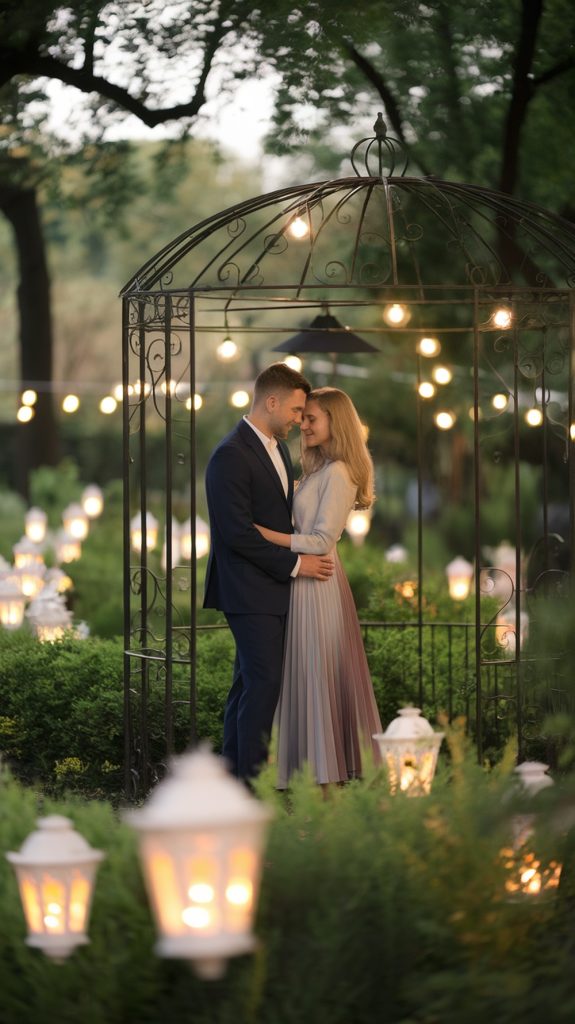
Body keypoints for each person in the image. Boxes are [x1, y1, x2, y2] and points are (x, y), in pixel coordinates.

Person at [204, 363, 334, 781]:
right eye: (296, 411)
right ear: (271, 401)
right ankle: (251, 787)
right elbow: (236, 534)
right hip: (246, 590)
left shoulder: (277, 449)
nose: (300, 420)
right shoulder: (229, 455)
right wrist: (298, 564)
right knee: (263, 686)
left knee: (247, 685)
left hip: (272, 589)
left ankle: (231, 778)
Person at [254, 387, 382, 787]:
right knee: (305, 678)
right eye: (303, 417)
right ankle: (312, 784)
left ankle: (325, 791)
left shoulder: (340, 472)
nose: (303, 425)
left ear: (335, 423)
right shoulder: (316, 470)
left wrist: (265, 536)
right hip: (302, 579)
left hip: (318, 580)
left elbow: (322, 540)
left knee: (316, 677)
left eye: (312, 419)